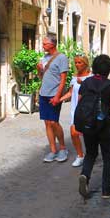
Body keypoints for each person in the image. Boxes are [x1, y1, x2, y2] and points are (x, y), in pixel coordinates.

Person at [77, 55, 110, 199]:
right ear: (108, 70)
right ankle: (106, 191)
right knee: (108, 157)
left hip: (88, 125)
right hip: (105, 126)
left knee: (90, 153)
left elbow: (80, 103)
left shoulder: (86, 83)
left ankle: (85, 175)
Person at [37, 34, 69, 162]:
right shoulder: (44, 58)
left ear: (52, 44)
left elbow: (63, 80)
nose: (43, 46)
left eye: (45, 44)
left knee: (54, 122)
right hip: (43, 94)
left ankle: (62, 148)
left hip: (54, 94)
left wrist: (58, 96)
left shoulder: (61, 58)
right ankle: (53, 150)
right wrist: (39, 70)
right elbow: (41, 77)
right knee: (47, 122)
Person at [59, 55, 92, 167]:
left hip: (87, 111)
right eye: (76, 63)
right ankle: (80, 155)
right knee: (74, 133)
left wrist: (83, 84)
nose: (77, 65)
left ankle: (91, 155)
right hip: (75, 110)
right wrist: (59, 99)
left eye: (80, 63)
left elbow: (93, 93)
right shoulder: (74, 77)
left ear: (85, 64)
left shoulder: (90, 77)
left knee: (88, 135)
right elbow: (70, 93)